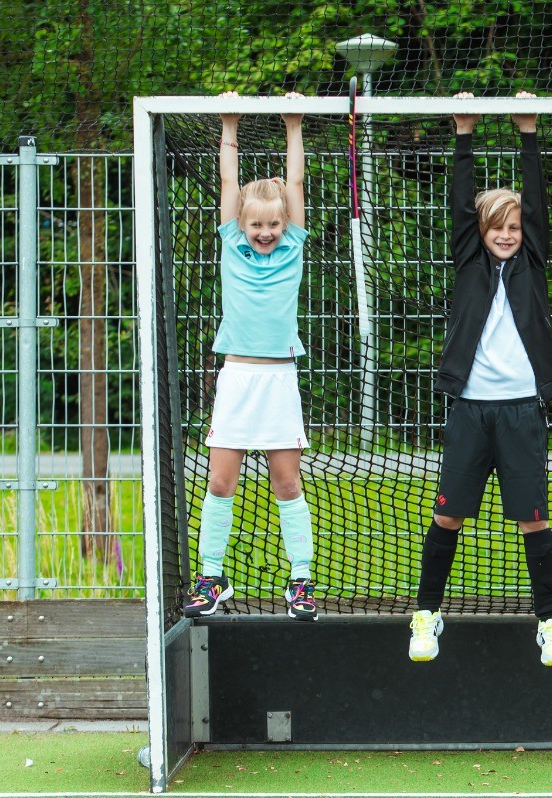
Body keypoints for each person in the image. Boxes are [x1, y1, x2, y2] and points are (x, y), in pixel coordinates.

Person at [407, 91, 552, 667]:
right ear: (480, 231)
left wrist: (527, 131)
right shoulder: (468, 261)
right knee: (447, 513)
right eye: (495, 227)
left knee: (533, 517)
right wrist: (464, 133)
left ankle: (550, 621)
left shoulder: (533, 260)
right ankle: (427, 612)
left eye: (514, 226)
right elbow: (460, 203)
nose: (506, 233)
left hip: (522, 408)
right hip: (471, 409)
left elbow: (538, 203)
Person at [184, 90, 320, 622]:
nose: (265, 232)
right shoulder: (230, 243)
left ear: (285, 225)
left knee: (287, 483)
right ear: (242, 224)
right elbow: (226, 181)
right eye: (256, 224)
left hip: (279, 380)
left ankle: (301, 581)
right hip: (238, 378)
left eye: (273, 224)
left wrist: (293, 124)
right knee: (221, 481)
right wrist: (228, 123)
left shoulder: (293, 248)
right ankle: (212, 577)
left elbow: (297, 183)